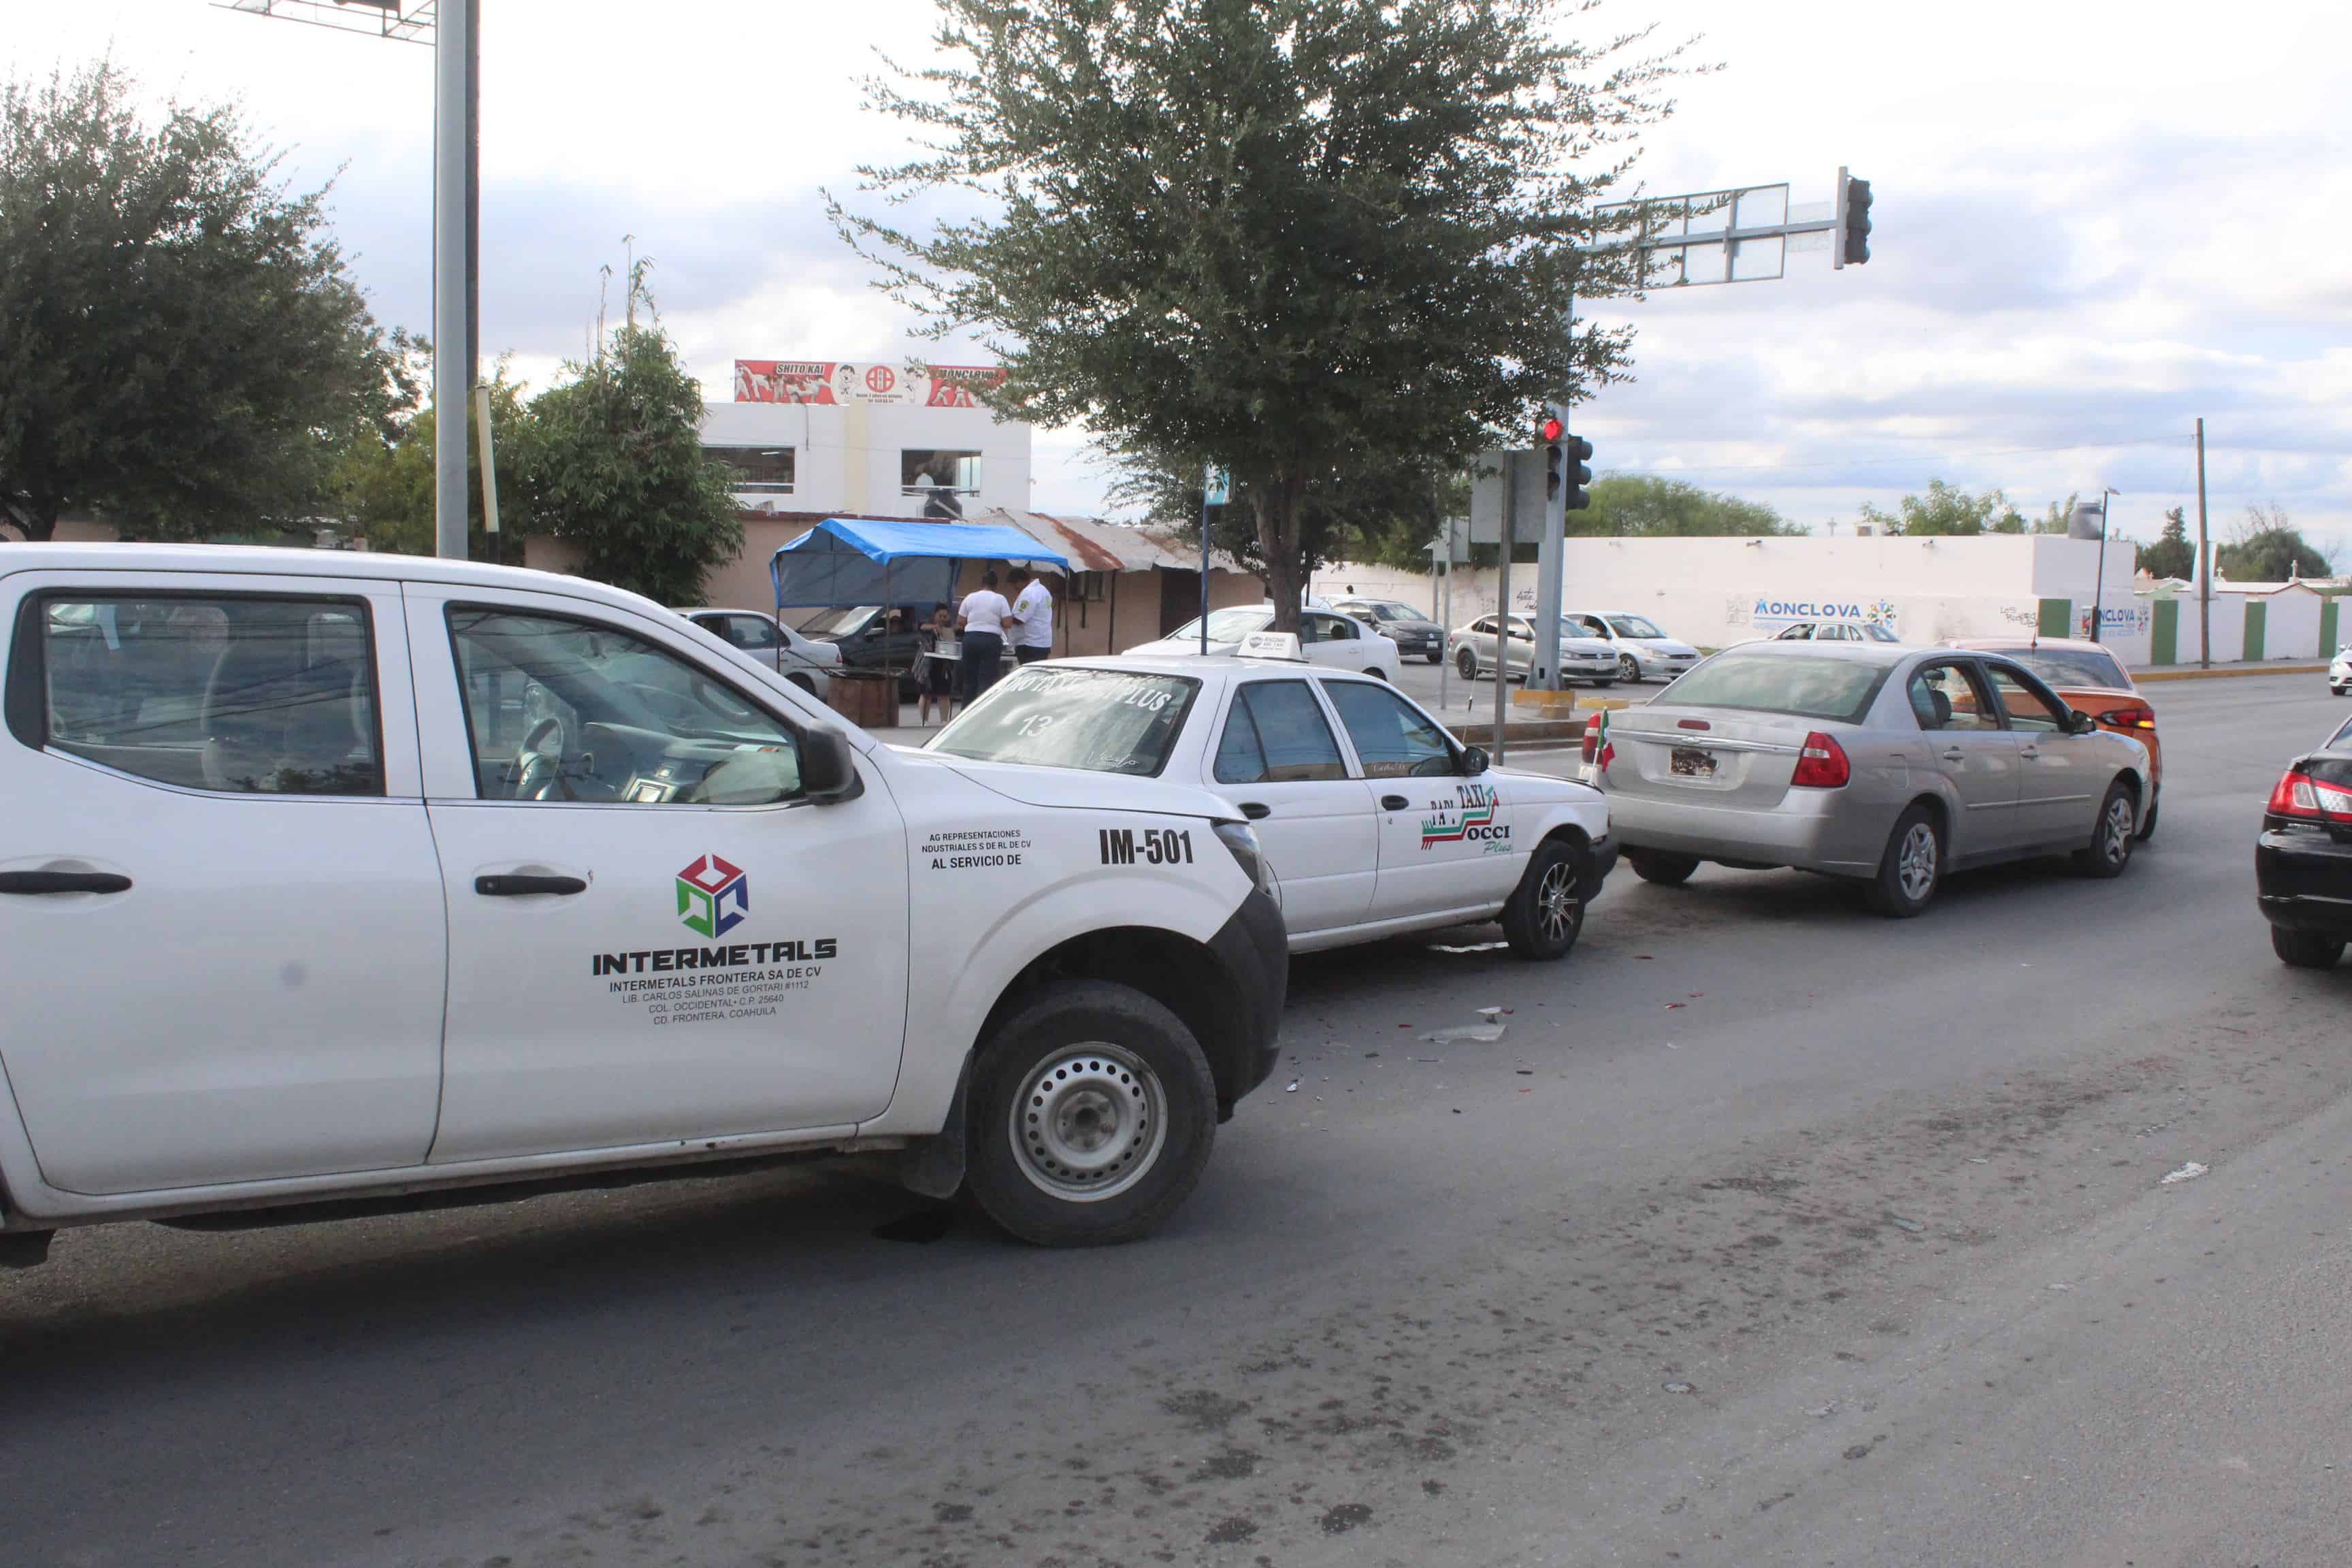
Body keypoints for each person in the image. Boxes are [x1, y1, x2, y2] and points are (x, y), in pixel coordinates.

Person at [957, 570, 1014, 702]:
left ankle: (966, 712)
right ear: (996, 585)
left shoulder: (970, 597)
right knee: (987, 680)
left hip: (971, 639)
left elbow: (960, 621)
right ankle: (982, 712)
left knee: (969, 680)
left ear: (982, 584)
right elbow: (1008, 623)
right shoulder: (1000, 599)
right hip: (991, 641)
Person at [917, 605, 958, 726]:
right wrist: (935, 627)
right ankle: (925, 721)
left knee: (944, 693)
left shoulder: (949, 627)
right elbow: (922, 627)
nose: (942, 619)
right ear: (934, 615)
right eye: (940, 616)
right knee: (925, 693)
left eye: (945, 616)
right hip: (927, 663)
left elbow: (958, 630)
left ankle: (944, 721)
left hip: (944, 663)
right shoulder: (928, 625)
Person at [1007, 566, 1055, 664]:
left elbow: (1020, 619)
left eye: (1014, 585)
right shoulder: (1043, 590)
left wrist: (1003, 619)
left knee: (1029, 676)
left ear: (1020, 581)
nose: (1015, 589)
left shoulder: (1029, 593)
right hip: (1042, 642)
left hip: (1029, 643)